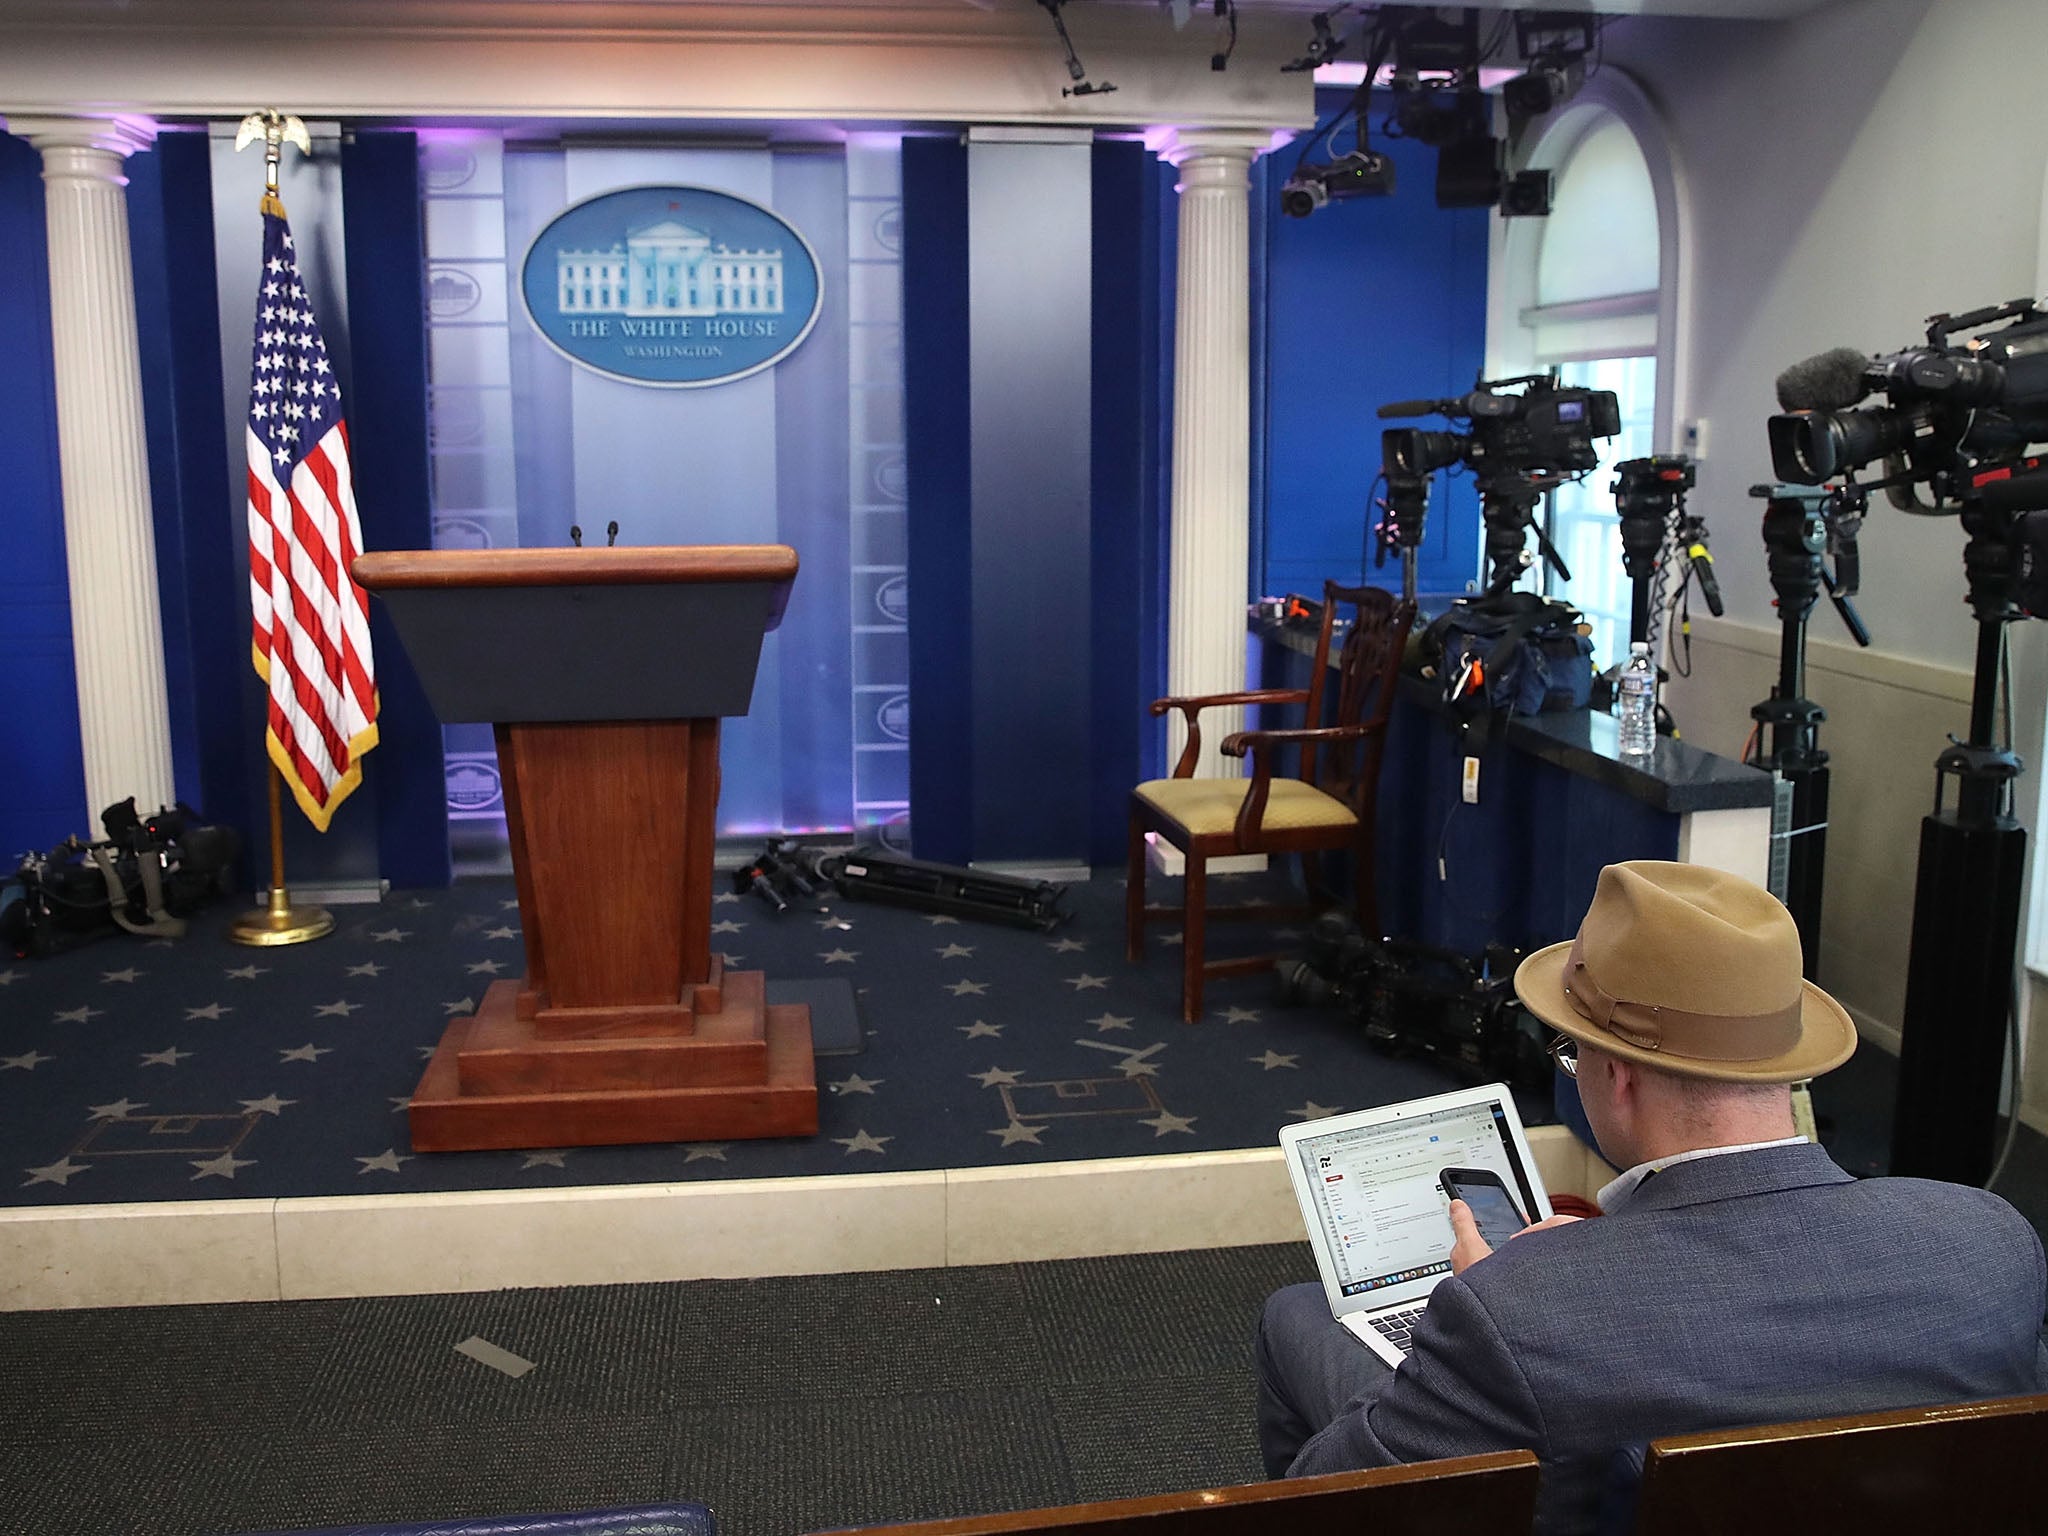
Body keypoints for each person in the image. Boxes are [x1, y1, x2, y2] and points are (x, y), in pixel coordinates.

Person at [1254, 860, 2048, 1534]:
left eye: (1574, 1056)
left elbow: (1321, 1500)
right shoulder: (1990, 1243)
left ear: (1619, 1075)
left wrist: (1491, 1294)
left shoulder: (1522, 1313)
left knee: (1296, 1315)